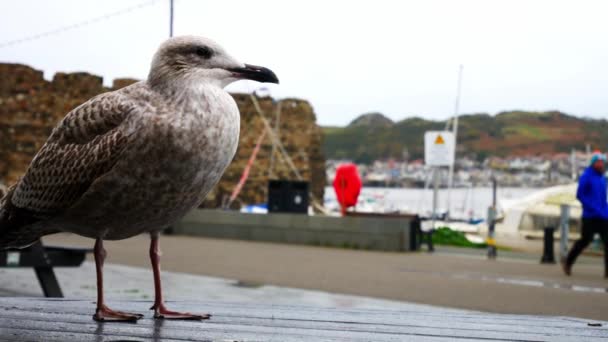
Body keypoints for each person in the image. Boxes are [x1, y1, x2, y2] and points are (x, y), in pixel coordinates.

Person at [563, 151, 608, 278]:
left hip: (604, 215)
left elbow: (603, 197)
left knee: (607, 242)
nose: (601, 164)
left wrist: (605, 209)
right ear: (593, 163)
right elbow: (580, 195)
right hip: (590, 215)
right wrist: (591, 207)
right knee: (585, 240)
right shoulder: (587, 176)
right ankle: (568, 262)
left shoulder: (602, 178)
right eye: (598, 162)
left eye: (602, 162)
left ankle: (607, 272)